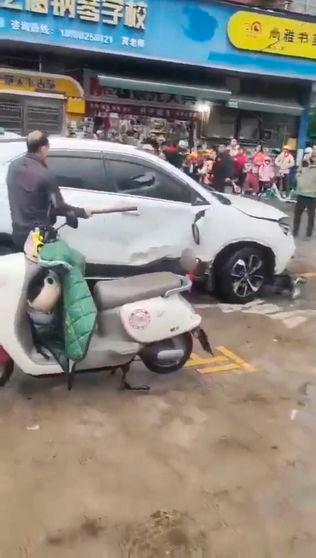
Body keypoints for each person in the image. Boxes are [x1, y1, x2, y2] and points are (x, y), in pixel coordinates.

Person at [7, 130, 91, 251]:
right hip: (36, 236)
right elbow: (59, 206)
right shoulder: (45, 174)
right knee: (41, 266)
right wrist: (82, 212)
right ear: (43, 148)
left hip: (17, 232)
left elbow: (30, 197)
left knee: (26, 265)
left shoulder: (13, 167)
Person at [293, 157, 316, 240]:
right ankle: (295, 232)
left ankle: (308, 234)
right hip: (301, 195)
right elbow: (297, 178)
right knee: (297, 215)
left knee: (311, 216)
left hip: (312, 196)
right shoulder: (303, 168)